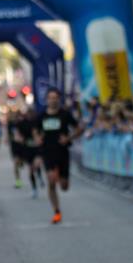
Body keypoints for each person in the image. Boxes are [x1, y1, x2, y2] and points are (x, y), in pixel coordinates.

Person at [32, 88, 82, 224]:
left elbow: (79, 128)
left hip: (62, 152)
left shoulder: (65, 115)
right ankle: (57, 211)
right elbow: (35, 130)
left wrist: (69, 138)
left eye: (55, 97)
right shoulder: (41, 116)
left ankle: (61, 177)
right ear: (46, 100)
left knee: (64, 187)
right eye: (50, 97)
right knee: (51, 181)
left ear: (58, 99)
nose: (52, 100)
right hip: (48, 152)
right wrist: (37, 138)